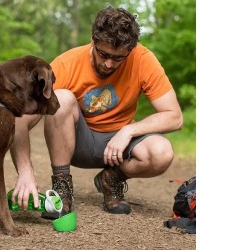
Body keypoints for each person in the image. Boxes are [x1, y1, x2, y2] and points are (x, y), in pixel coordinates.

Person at [9, 6, 183, 217]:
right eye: (104, 54)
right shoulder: (66, 64)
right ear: (93, 39)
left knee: (162, 153)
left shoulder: (143, 60)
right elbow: (19, 119)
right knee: (62, 98)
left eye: (119, 58)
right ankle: (62, 187)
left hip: (120, 145)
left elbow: (174, 116)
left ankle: (111, 179)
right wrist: (25, 172)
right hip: (79, 143)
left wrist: (128, 131)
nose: (109, 64)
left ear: (131, 50)